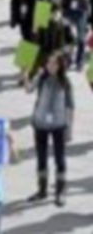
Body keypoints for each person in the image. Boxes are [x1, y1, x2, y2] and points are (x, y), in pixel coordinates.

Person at [24, 52, 74, 207]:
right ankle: (42, 190)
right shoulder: (41, 77)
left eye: (53, 63)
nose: (49, 65)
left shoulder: (65, 82)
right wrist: (25, 74)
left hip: (59, 125)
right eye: (48, 62)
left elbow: (70, 107)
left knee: (60, 159)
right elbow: (28, 89)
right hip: (40, 123)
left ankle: (60, 192)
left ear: (60, 66)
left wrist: (69, 129)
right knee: (41, 158)